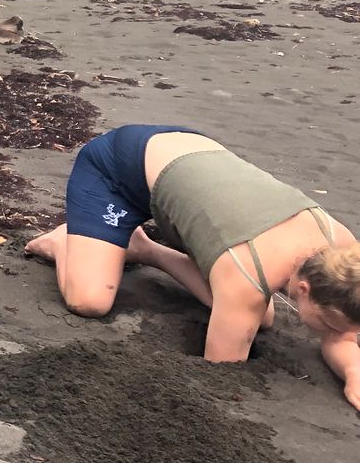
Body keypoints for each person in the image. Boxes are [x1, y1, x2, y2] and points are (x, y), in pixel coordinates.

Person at [25, 124, 360, 407]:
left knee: (259, 315)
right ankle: (63, 240)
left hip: (191, 153)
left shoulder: (344, 252)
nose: (342, 334)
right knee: (89, 301)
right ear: (304, 289)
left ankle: (145, 248)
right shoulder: (250, 271)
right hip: (118, 166)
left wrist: (353, 373)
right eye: (332, 324)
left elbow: (343, 332)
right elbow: (219, 374)